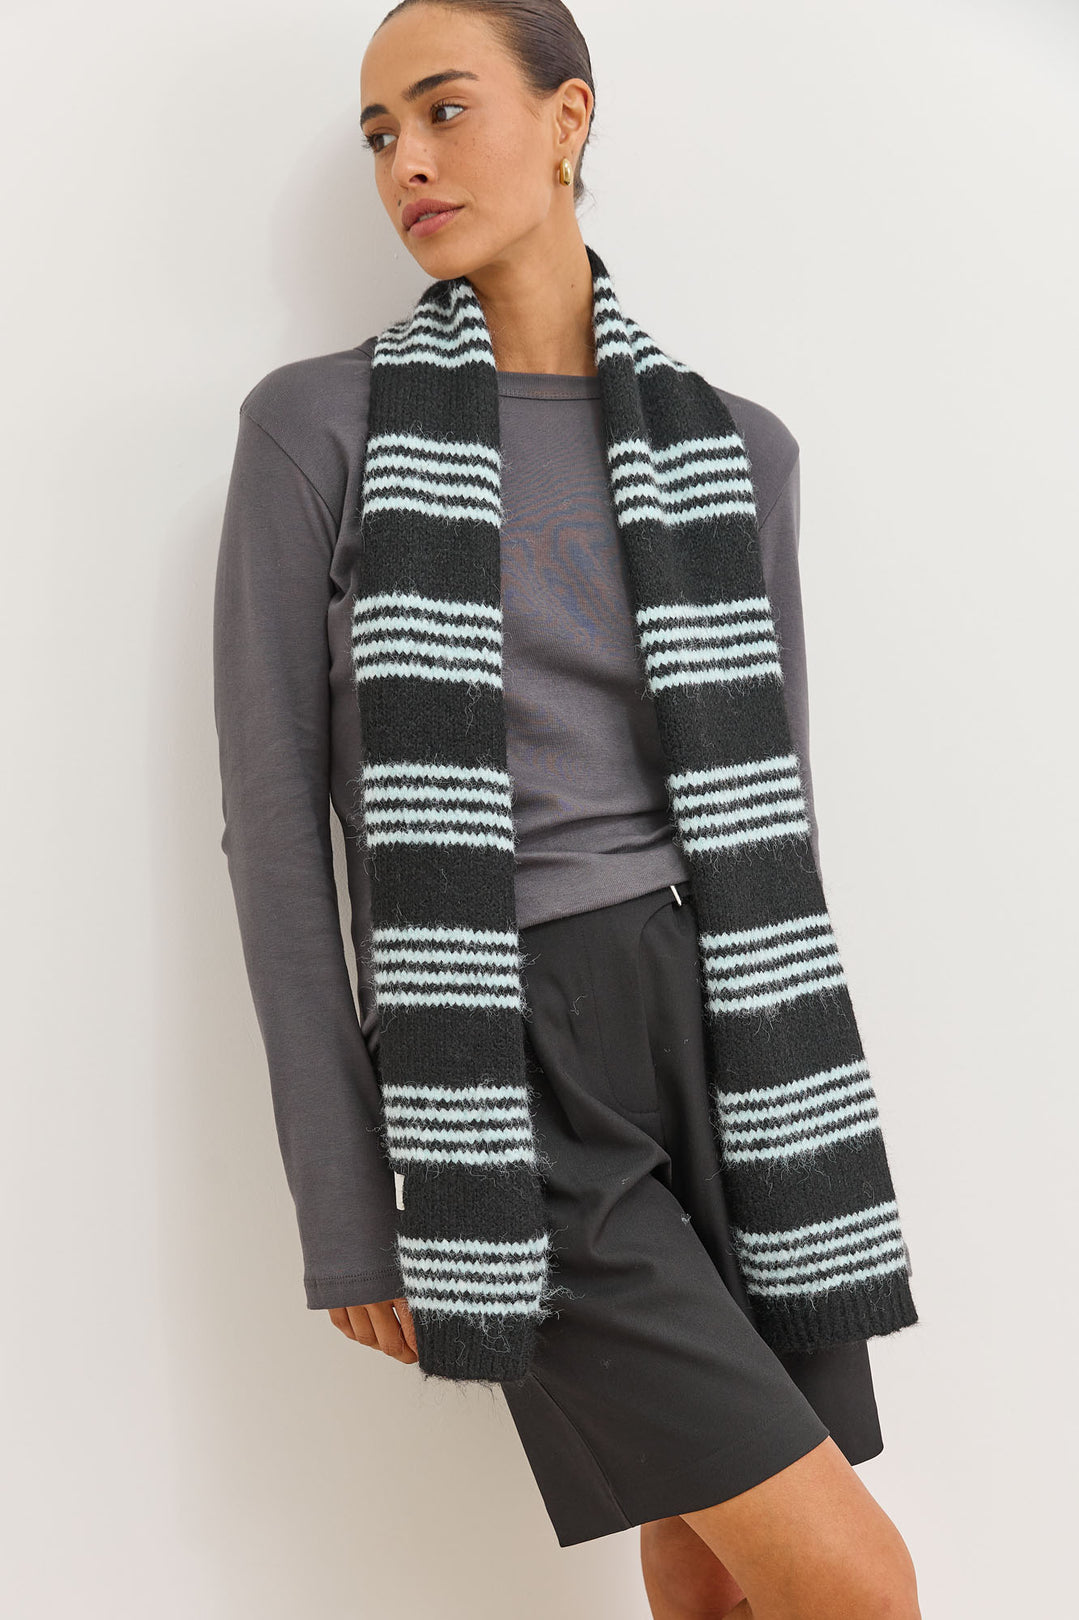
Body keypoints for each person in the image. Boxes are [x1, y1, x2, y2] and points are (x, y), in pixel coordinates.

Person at [213, 2, 922, 1614]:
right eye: (380, 134)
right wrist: (348, 1199)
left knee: (721, 1566)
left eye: (444, 109)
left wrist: (793, 1084)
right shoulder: (320, 428)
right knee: (858, 1583)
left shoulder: (734, 450)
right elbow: (274, 837)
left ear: (568, 117)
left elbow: (779, 813)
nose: (407, 160)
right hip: (506, 1051)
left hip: (737, 1028)